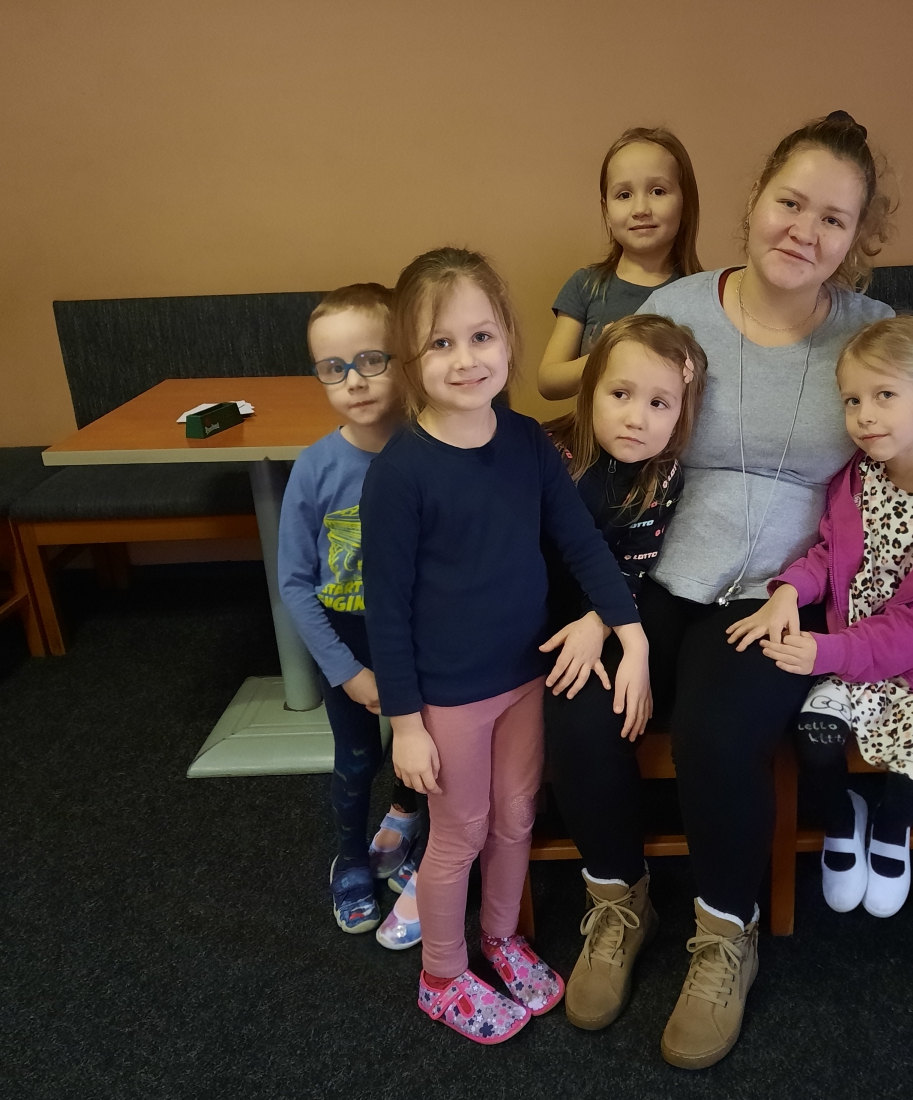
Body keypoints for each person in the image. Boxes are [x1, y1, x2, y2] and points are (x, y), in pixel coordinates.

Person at [547, 111, 913, 1069]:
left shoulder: (877, 338)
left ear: (858, 239)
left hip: (784, 595)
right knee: (579, 708)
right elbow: (606, 434)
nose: (804, 231)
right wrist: (594, 600)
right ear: (755, 199)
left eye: (833, 219)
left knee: (720, 734)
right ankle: (616, 903)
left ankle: (726, 933)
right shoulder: (677, 307)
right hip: (651, 571)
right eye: (790, 203)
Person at [361, 248, 653, 1045]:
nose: (466, 359)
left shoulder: (526, 441)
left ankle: (500, 938)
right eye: (441, 343)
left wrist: (631, 636)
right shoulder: (399, 474)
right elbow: (386, 610)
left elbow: (582, 544)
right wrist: (406, 724)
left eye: (481, 336)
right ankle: (442, 975)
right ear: (411, 359)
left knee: (517, 816)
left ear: (508, 340)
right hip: (448, 695)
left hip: (527, 677)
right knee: (460, 830)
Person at [727, 315, 913, 921]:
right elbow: (830, 551)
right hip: (851, 652)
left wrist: (826, 653)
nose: (864, 416)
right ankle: (841, 817)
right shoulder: (861, 473)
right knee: (814, 736)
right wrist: (788, 592)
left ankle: (893, 829)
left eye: (884, 396)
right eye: (853, 400)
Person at [536, 314, 708, 1031]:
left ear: (682, 412)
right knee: (560, 710)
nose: (637, 418)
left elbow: (634, 565)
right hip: (541, 612)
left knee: (588, 704)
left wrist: (604, 625)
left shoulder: (662, 475)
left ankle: (620, 899)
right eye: (620, 395)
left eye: (659, 403)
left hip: (621, 610)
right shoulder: (549, 451)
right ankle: (615, 893)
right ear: (590, 393)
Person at [276, 283, 424, 949]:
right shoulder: (314, 468)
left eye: (371, 359)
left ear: (403, 357)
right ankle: (349, 857)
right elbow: (294, 583)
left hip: (421, 636)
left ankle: (413, 823)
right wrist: (345, 671)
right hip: (348, 639)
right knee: (358, 758)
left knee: (427, 752)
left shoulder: (428, 452)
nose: (354, 381)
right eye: (333, 368)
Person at [537, 127, 704, 400]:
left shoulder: (703, 294)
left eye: (658, 191)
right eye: (624, 195)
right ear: (606, 210)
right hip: (592, 430)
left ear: (685, 203)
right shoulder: (586, 285)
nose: (640, 209)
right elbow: (548, 382)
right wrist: (607, 356)